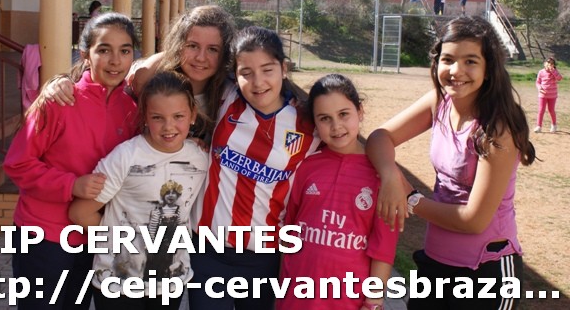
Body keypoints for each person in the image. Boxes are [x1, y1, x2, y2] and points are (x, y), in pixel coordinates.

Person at [366, 16, 536, 309]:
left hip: (486, 273)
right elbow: (379, 137)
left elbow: (474, 220)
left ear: (488, 68)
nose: (456, 71)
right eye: (448, 60)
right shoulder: (439, 101)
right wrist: (390, 176)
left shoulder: (499, 128)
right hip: (435, 262)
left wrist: (410, 198)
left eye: (470, 61)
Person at [3, 12, 140, 309]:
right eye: (104, 50)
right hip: (44, 236)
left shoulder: (132, 110)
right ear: (85, 54)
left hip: (92, 237)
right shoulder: (59, 101)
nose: (115, 61)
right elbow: (18, 163)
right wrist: (71, 185)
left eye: (125, 51)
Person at [189, 26, 321, 310]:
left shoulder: (309, 124)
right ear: (234, 75)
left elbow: (351, 144)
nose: (258, 82)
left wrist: (390, 176)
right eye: (246, 72)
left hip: (263, 258)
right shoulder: (225, 97)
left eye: (267, 70)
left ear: (284, 68)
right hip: (208, 251)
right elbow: (169, 68)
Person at [68, 71, 209, 310]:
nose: (169, 126)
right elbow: (80, 213)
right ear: (144, 116)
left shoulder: (201, 158)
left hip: (169, 282)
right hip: (118, 283)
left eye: (178, 116)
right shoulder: (125, 157)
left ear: (193, 115)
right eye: (157, 117)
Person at [278, 74, 398, 310]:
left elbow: (382, 249)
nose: (336, 126)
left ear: (360, 111)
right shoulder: (306, 166)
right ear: (315, 122)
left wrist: (373, 302)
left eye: (344, 114)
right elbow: (290, 231)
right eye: (325, 118)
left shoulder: (382, 176)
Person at [43, 5, 236, 141]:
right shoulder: (150, 78)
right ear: (178, 46)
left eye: (213, 49)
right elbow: (107, 80)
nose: (201, 57)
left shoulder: (230, 91)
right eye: (192, 46)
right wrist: (60, 81)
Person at [534, 57, 563, 133]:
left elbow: (559, 78)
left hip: (552, 95)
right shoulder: (541, 72)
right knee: (541, 110)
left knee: (551, 110)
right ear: (544, 64)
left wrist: (553, 71)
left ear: (553, 65)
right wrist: (540, 88)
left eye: (552, 63)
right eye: (548, 62)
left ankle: (554, 125)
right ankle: (539, 126)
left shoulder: (555, 72)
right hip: (542, 95)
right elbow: (538, 82)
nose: (550, 64)